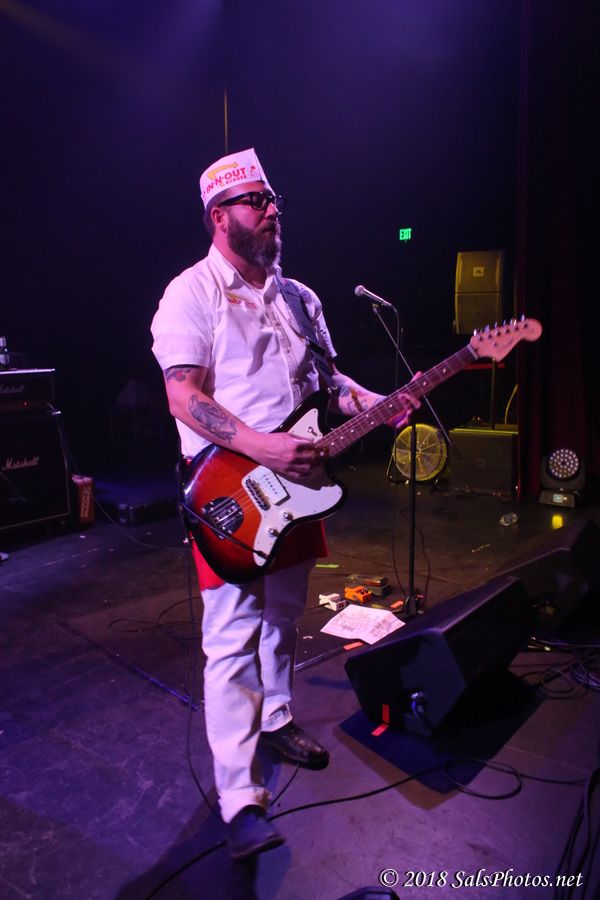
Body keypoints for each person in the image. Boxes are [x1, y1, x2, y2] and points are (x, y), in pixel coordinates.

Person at [151, 148, 417, 859]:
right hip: (230, 492)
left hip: (298, 485)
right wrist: (260, 447)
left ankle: (276, 717)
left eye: (275, 201)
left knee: (284, 613)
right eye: (257, 201)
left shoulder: (300, 298)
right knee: (231, 635)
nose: (273, 212)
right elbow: (182, 394)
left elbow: (330, 384)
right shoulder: (191, 293)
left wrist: (376, 401)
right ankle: (240, 800)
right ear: (220, 216)